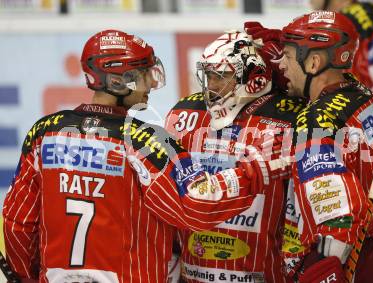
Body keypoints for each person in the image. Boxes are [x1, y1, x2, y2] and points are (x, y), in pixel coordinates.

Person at [2, 29, 284, 283]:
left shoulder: (44, 132)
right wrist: (256, 168)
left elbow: (17, 224)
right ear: (116, 81)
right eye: (142, 74)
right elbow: (199, 204)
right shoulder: (147, 140)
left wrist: (26, 276)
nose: (150, 82)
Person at [164, 31, 306, 282]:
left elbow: (299, 207)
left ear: (251, 76)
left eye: (221, 76)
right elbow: (169, 200)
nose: (212, 86)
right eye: (208, 75)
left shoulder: (289, 118)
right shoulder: (183, 115)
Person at [276, 11, 373, 282]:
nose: (280, 65)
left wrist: (326, 265)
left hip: (355, 258)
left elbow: (335, 210)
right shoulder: (361, 93)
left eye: (287, 56)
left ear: (313, 62)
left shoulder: (314, 121)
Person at [248, 0, 373, 178]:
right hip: (364, 157)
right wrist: (291, 50)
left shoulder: (361, 15)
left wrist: (370, 143)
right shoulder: (345, 24)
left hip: (367, 163)